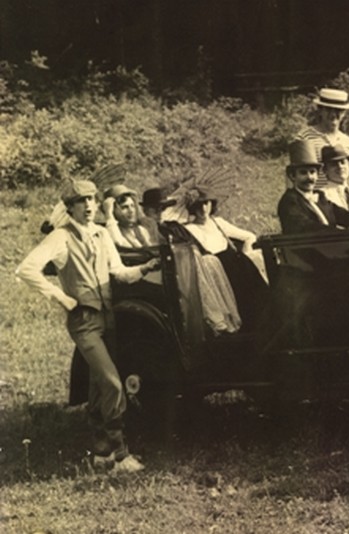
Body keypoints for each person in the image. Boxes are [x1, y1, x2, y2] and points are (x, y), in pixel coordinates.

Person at [16, 179, 158, 473]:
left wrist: (143, 269)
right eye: (82, 201)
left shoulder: (102, 233)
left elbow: (117, 271)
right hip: (83, 321)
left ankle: (100, 452)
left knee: (98, 387)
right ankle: (120, 455)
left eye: (92, 199)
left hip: (108, 317)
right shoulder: (60, 237)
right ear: (70, 208)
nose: (90, 206)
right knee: (113, 384)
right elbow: (27, 269)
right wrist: (62, 298)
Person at [184, 188, 268, 332]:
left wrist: (246, 252)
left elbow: (249, 236)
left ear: (212, 204)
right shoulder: (190, 229)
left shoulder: (218, 222)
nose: (203, 209)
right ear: (193, 208)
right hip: (218, 273)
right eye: (198, 205)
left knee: (258, 299)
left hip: (238, 266)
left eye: (207, 203)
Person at [278, 139, 349, 234]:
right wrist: (340, 233)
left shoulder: (320, 197)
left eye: (312, 172)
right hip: (306, 247)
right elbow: (306, 227)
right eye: (303, 173)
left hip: (330, 245)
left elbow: (344, 216)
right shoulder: (289, 201)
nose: (309, 177)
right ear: (292, 176)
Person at [294, 87, 349, 184]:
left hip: (342, 197)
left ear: (344, 113)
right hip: (314, 197)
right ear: (320, 110)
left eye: (338, 110)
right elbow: (294, 176)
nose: (333, 115)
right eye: (328, 110)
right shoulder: (305, 137)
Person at [318, 145, 349, 216]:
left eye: (343, 162)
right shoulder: (323, 196)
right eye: (334, 164)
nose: (340, 166)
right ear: (325, 170)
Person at [102, 184, 157, 249]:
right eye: (124, 207)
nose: (131, 211)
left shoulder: (141, 230)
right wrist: (109, 214)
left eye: (132, 206)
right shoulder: (111, 232)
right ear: (113, 210)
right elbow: (118, 242)